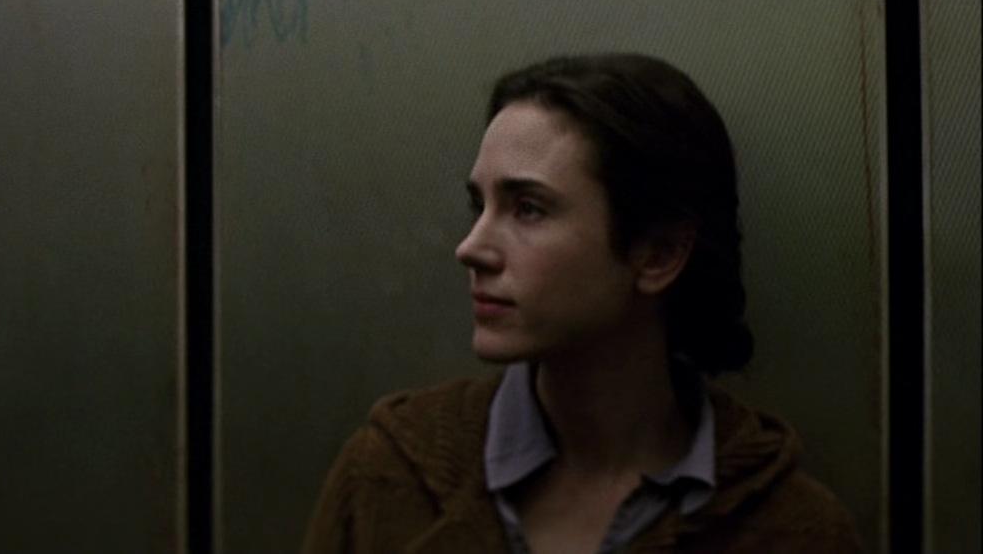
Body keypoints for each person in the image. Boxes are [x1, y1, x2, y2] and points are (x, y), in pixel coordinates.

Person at [300, 53, 860, 553]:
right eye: (480, 206)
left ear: (658, 253)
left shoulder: (791, 530)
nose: (470, 248)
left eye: (528, 209)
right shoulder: (390, 478)